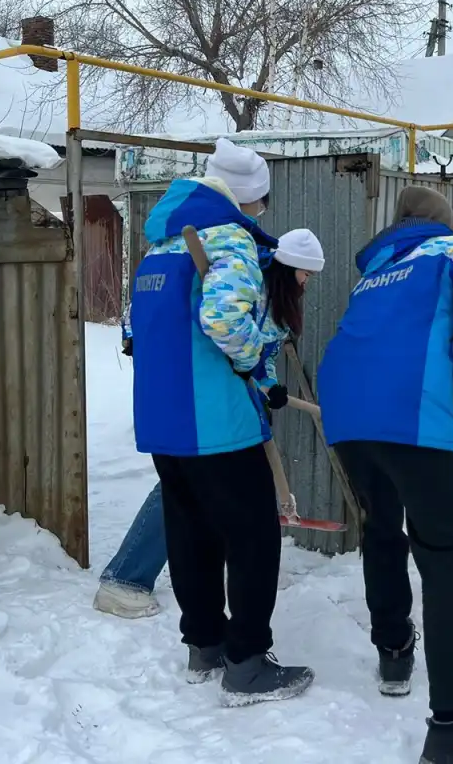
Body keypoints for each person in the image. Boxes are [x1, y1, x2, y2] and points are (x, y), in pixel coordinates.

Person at [317, 185, 453, 764]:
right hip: (406, 409)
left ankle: (394, 650)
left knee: (383, 528)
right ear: (445, 221)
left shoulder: (377, 269)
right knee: (448, 555)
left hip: (347, 414)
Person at [128, 138, 315, 705]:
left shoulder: (159, 247)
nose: (258, 214)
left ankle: (204, 643)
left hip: (163, 418)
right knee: (253, 535)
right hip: (214, 419)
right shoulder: (226, 237)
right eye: (258, 204)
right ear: (247, 198)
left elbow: (130, 333)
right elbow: (224, 321)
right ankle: (248, 663)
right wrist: (252, 356)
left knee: (192, 530)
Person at [93, 227, 326, 620]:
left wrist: (270, 386)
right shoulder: (241, 270)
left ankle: (240, 571)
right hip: (193, 386)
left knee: (211, 483)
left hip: (226, 393)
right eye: (306, 274)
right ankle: (124, 579)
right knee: (187, 479)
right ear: (290, 268)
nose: (307, 283)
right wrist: (136, 340)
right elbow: (182, 316)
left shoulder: (279, 301)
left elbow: (260, 353)